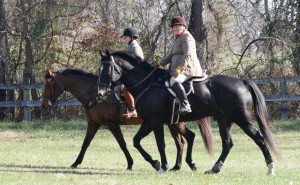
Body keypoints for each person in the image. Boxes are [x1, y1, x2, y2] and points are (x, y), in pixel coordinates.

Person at [161, 16, 203, 114]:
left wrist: (180, 69)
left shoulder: (187, 36)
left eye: (177, 26)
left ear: (183, 26)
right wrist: (160, 63)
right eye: (173, 27)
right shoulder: (178, 38)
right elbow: (172, 55)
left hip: (188, 68)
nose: (175, 28)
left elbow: (188, 55)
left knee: (173, 80)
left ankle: (186, 105)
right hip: (178, 68)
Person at [120, 27, 144, 117]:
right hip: (132, 73)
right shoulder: (130, 46)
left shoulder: (135, 47)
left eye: (125, 37)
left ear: (131, 37)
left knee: (124, 87)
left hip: (138, 74)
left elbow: (137, 63)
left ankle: (133, 110)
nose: (124, 39)